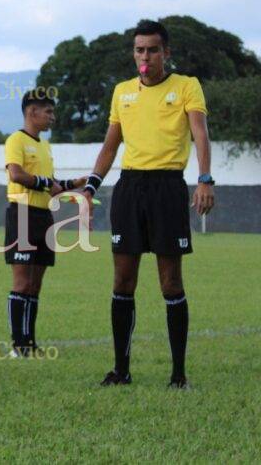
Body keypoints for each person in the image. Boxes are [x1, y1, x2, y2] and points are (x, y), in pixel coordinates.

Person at [82, 20, 215, 389]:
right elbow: (111, 144)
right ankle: (121, 371)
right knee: (123, 279)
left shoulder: (187, 86)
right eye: (140, 49)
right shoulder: (123, 92)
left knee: (170, 282)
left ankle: (178, 375)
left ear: (166, 53)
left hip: (168, 188)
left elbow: (200, 133)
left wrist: (205, 179)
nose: (145, 56)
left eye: (152, 49)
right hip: (129, 188)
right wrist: (91, 187)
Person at [3, 91, 86, 356]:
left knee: (36, 284)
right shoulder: (16, 140)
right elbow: (16, 174)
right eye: (48, 111)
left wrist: (75, 188)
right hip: (22, 215)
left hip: (43, 217)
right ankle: (18, 345)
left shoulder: (45, 146)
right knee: (21, 283)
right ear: (32, 112)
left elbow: (51, 187)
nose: (53, 117)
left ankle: (30, 342)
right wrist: (47, 183)